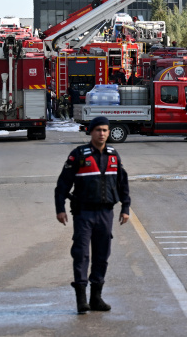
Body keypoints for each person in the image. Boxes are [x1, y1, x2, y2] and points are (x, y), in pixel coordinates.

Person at [54, 116, 130, 314]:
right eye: (98, 130)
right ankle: (81, 299)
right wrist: (60, 208)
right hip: (84, 213)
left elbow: (123, 184)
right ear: (90, 132)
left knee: (102, 255)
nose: (102, 134)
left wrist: (125, 208)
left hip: (106, 213)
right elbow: (62, 184)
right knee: (81, 254)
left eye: (105, 130)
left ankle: (96, 298)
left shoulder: (114, 155)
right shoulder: (78, 155)